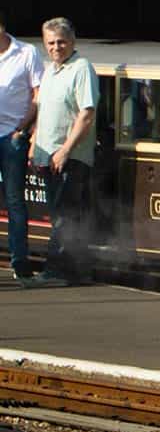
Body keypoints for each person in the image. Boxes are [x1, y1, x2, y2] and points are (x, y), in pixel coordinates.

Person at [27, 19, 96, 285]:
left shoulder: (81, 68)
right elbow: (43, 110)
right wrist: (34, 144)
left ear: (73, 41)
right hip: (48, 155)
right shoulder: (49, 70)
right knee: (59, 214)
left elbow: (86, 114)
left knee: (64, 216)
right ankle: (76, 272)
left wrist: (66, 150)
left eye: (61, 42)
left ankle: (57, 273)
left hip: (69, 156)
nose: (56, 47)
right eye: (51, 43)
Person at [0, 15, 43, 287]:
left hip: (12, 136)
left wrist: (24, 130)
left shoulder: (27, 52)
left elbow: (38, 94)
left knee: (15, 200)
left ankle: (20, 261)